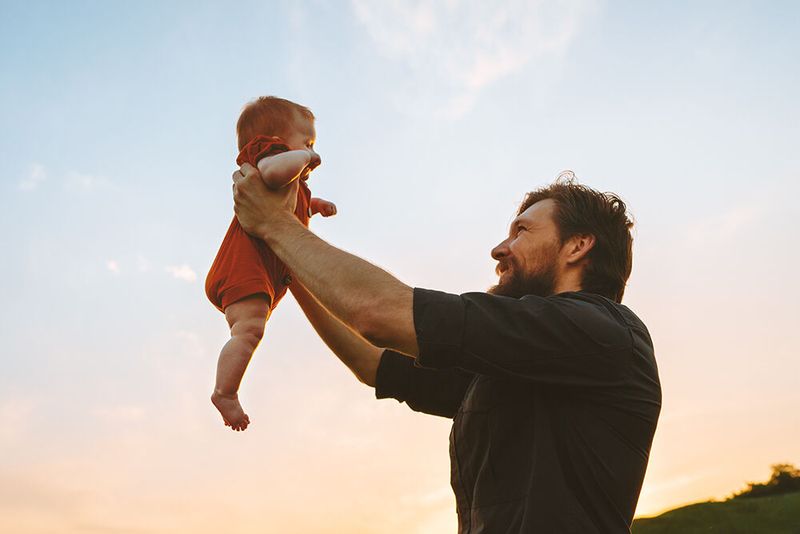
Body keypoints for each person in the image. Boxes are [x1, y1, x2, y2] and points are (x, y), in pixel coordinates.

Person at [231, 166, 661, 533]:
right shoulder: (520, 360)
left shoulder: (601, 332)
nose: (499, 249)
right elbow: (373, 361)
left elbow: (379, 313)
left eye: (522, 231)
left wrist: (275, 224)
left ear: (577, 246)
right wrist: (287, 252)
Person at [205, 96, 337, 431]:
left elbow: (292, 206)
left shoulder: (295, 184)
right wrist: (304, 156)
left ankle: (227, 389)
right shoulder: (270, 157)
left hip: (260, 273)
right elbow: (274, 173)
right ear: (275, 139)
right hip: (243, 267)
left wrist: (314, 205)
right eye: (306, 141)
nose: (310, 150)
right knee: (248, 332)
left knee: (251, 331)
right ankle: (225, 392)